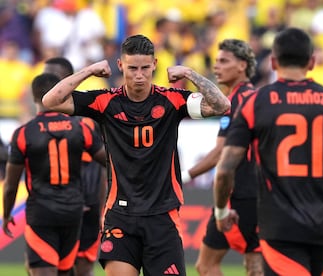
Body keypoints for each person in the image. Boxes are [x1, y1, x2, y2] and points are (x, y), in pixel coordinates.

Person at [42, 34, 231, 276]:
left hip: (162, 216)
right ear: (120, 66)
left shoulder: (173, 100)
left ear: (154, 64)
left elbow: (221, 106)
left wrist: (190, 74)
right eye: (132, 68)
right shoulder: (105, 102)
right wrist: (89, 70)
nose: (139, 75)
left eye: (144, 67)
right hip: (120, 217)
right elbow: (51, 101)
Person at [212, 27, 323, 276]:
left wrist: (221, 210)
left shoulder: (256, 103)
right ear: (311, 62)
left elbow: (225, 168)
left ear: (273, 62)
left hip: (278, 224)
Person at [2, 73, 106, 276]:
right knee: (66, 272)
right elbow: (108, 163)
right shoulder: (80, 128)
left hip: (41, 212)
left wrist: (6, 214)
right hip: (73, 212)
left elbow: (11, 185)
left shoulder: (24, 133)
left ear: (34, 98)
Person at [181, 39, 263, 275]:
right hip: (261, 192)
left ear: (242, 66)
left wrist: (184, 176)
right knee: (254, 263)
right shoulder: (256, 98)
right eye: (216, 61)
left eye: (224, 61)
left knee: (206, 265)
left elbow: (221, 152)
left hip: (240, 194)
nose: (216, 67)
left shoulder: (237, 101)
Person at [43, 56, 107, 276]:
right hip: (48, 206)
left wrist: (101, 207)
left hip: (84, 206)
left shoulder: (85, 118)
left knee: (81, 267)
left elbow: (103, 165)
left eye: (52, 77)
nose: (47, 82)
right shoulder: (37, 123)